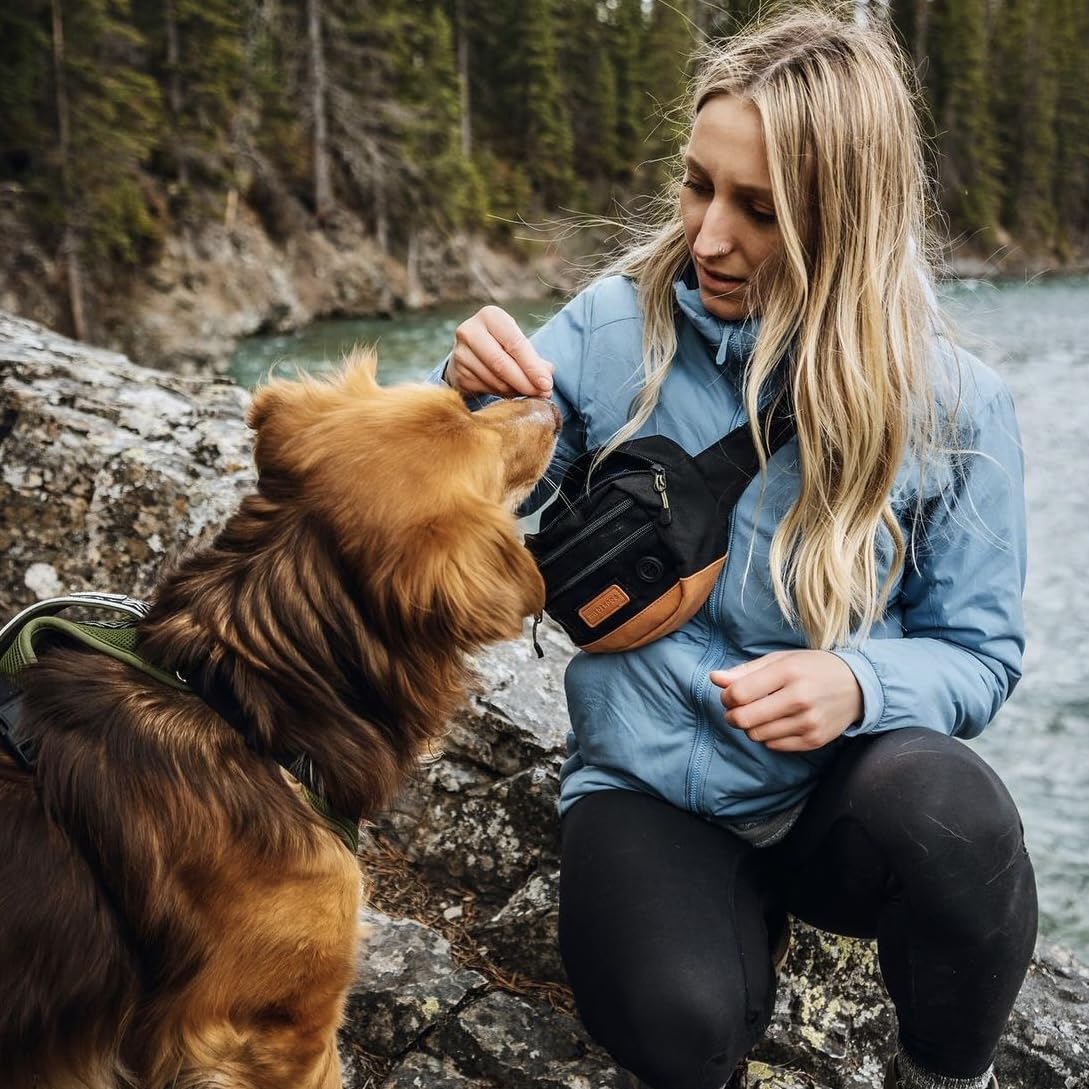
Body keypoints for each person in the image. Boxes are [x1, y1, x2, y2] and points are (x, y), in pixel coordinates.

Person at [435, 8, 1037, 1089]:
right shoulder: (611, 327)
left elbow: (981, 654)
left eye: (759, 210)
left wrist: (855, 683)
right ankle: (722, 928)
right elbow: (464, 508)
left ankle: (944, 1078)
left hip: (837, 800)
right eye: (696, 184)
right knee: (675, 1028)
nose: (708, 237)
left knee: (959, 818)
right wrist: (457, 403)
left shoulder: (957, 406)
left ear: (845, 221)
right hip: (646, 783)